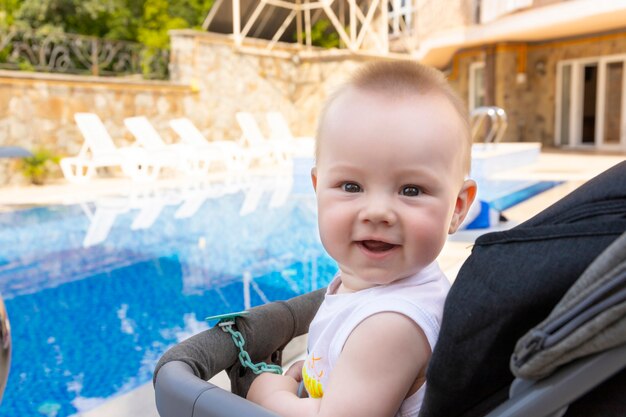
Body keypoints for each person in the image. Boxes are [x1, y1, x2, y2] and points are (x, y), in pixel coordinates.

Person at [247, 60, 477, 417]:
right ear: (317, 189)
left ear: (458, 207)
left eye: (411, 189)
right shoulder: (377, 289)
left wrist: (269, 396)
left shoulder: (390, 325)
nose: (377, 211)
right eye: (351, 186)